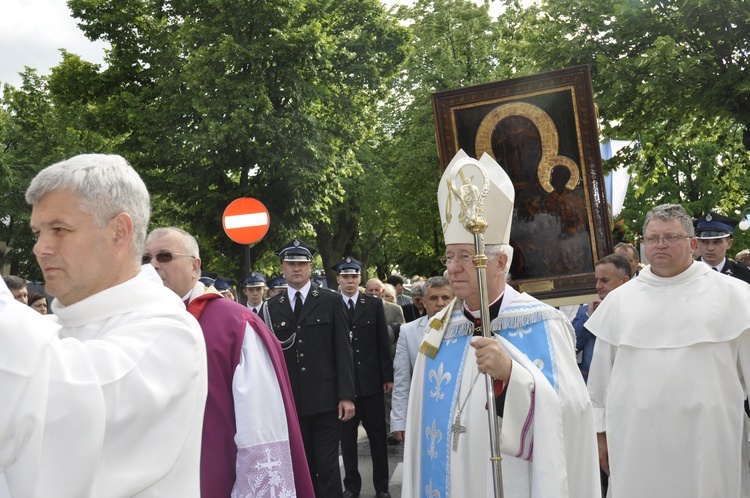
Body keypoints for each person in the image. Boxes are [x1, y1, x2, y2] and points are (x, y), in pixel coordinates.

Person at [0, 153, 207, 496]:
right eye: (38, 231)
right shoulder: (60, 325)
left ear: (119, 232)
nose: (40, 247)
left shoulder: (167, 333)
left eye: (60, 229)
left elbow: (63, 404)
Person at [402, 151, 599, 498]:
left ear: (501, 261)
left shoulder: (542, 322)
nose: (453, 269)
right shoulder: (437, 331)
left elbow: (572, 416)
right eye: (449, 257)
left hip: (513, 482)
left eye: (465, 256)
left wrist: (511, 376)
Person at [586, 203, 750, 497]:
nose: (660, 244)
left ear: (692, 243)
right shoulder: (619, 301)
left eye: (671, 237)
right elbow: (599, 378)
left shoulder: (735, 295)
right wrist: (599, 433)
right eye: (652, 238)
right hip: (637, 435)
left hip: (710, 434)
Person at [144, 227, 313, 498]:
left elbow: (260, 424)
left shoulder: (233, 325)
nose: (152, 266)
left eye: (164, 257)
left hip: (213, 477)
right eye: (144, 259)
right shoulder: (136, 325)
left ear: (195, 266)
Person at [262, 239, 355, 498]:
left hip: (326, 400)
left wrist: (346, 395)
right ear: (281, 267)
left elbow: (343, 351)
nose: (296, 269)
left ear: (311, 267)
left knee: (327, 467)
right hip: (290, 402)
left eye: (301, 264)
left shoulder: (330, 300)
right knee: (301, 467)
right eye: (291, 263)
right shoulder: (271, 308)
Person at [333, 257, 393, 498]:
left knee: (378, 437)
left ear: (360, 279)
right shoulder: (332, 303)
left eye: (354, 276)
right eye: (345, 277)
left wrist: (387, 376)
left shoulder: (373, 304)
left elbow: (382, 342)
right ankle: (352, 487)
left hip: (371, 383)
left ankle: (382, 488)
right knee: (347, 441)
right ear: (338, 279)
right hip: (345, 385)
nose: (350, 281)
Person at [390, 276, 453, 443]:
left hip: (456, 412)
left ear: (454, 300)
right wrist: (399, 420)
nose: (440, 303)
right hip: (423, 412)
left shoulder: (467, 329)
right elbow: (402, 379)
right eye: (434, 298)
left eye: (445, 297)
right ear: (424, 302)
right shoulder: (408, 331)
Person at [572, 254, 632, 382]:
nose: (598, 286)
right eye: (597, 280)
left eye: (604, 280)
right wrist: (589, 318)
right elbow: (569, 346)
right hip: (593, 387)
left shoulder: (640, 311)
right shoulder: (585, 312)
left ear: (625, 281)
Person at [695, 211, 750, 284]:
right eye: (705, 241)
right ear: (697, 242)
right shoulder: (686, 272)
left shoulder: (745, 275)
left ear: (729, 243)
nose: (710, 248)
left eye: (717, 242)